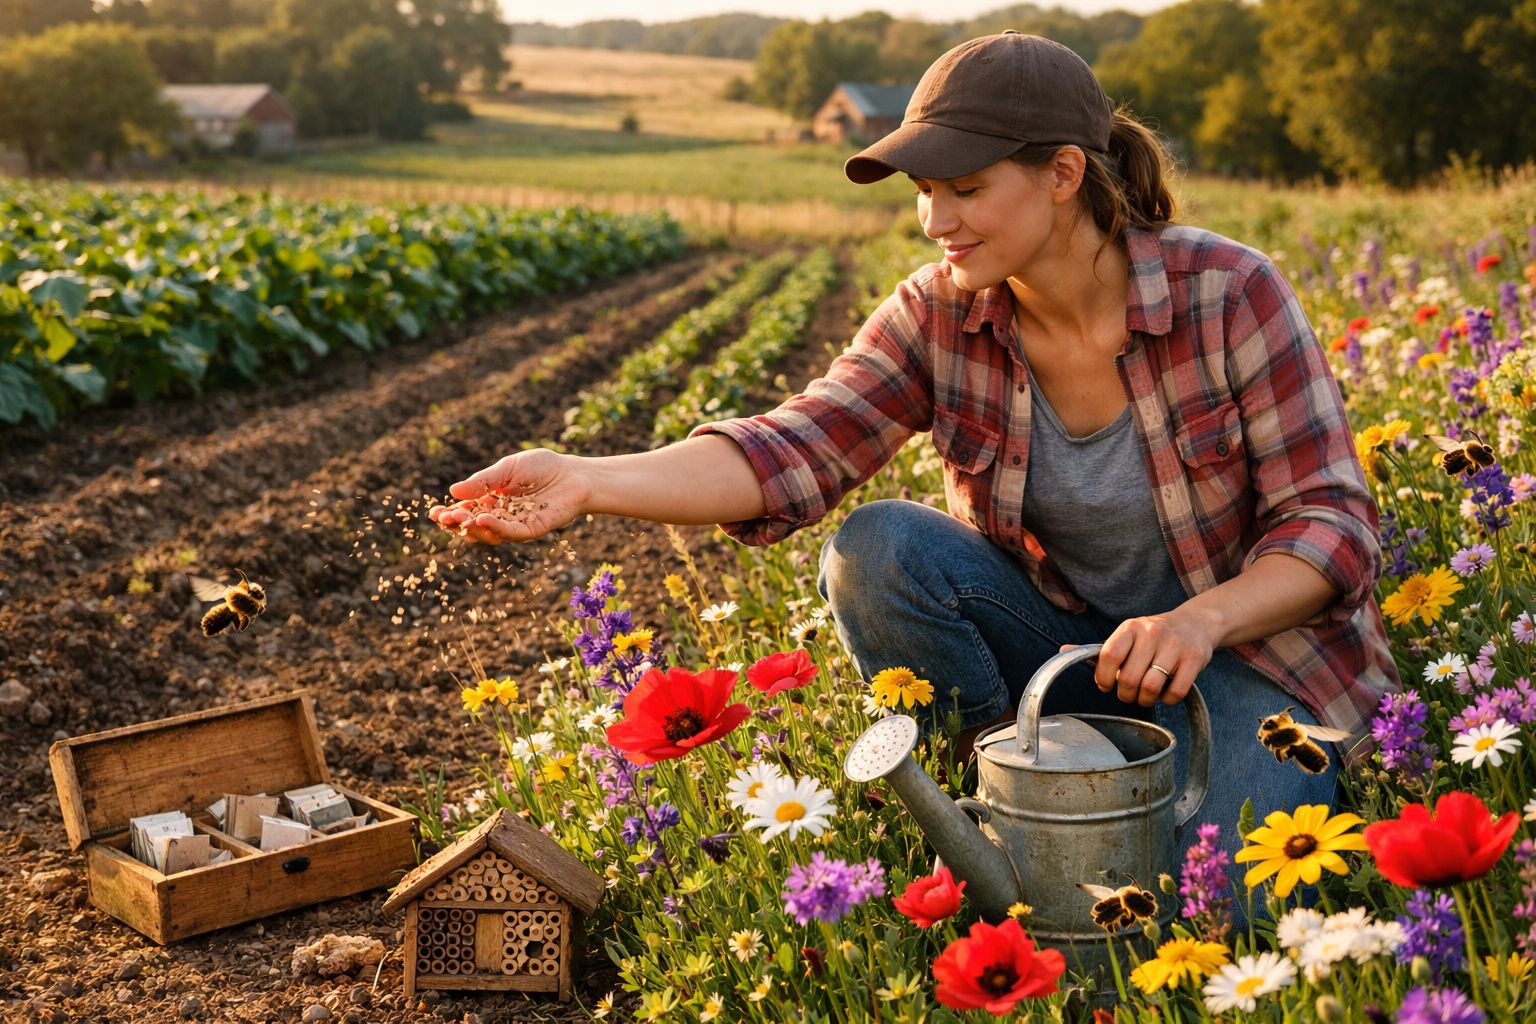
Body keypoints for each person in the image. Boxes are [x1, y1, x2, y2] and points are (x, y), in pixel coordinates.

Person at [430, 33, 1400, 873]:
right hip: (1063, 657)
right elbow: (793, 447)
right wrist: (587, 479)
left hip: (1246, 662)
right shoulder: (940, 309)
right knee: (879, 549)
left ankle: (1097, 811)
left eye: (967, 188)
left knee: (1199, 909)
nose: (936, 221)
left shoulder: (1227, 293)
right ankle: (1007, 786)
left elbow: (1334, 527)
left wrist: (1198, 621)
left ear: (1065, 174)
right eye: (926, 190)